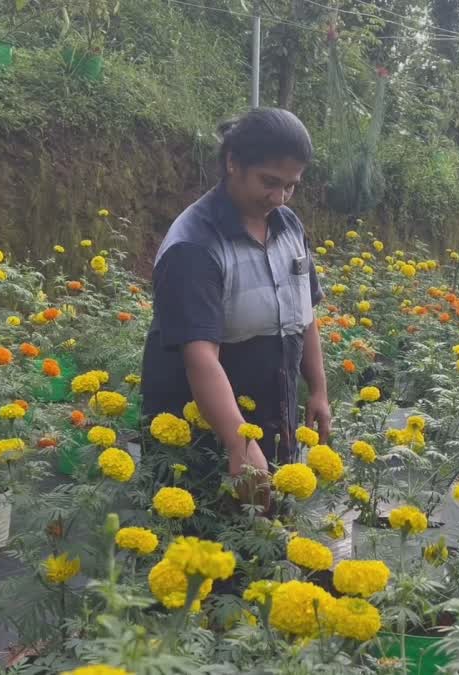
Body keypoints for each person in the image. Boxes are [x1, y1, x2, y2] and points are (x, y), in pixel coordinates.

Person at [140, 108, 330, 505]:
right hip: (204, 432)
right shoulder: (193, 246)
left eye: (291, 186)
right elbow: (201, 359)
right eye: (269, 182)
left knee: (267, 546)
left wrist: (318, 391)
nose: (278, 197)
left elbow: (304, 314)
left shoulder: (288, 225)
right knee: (204, 544)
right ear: (233, 163)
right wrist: (237, 442)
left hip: (271, 419)